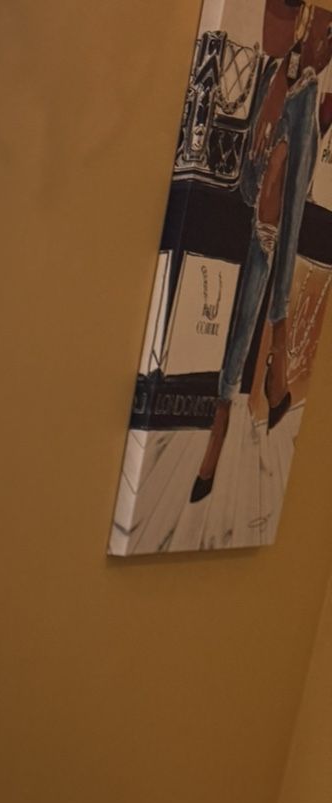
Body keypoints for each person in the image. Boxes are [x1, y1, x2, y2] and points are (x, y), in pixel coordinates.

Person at [191, 1, 332, 502]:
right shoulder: (278, 76)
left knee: (249, 306)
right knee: (237, 316)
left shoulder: (307, 99)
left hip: (272, 230)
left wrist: (280, 332)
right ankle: (249, 398)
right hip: (256, 215)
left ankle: (227, 417)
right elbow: (254, 188)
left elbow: (288, 217)